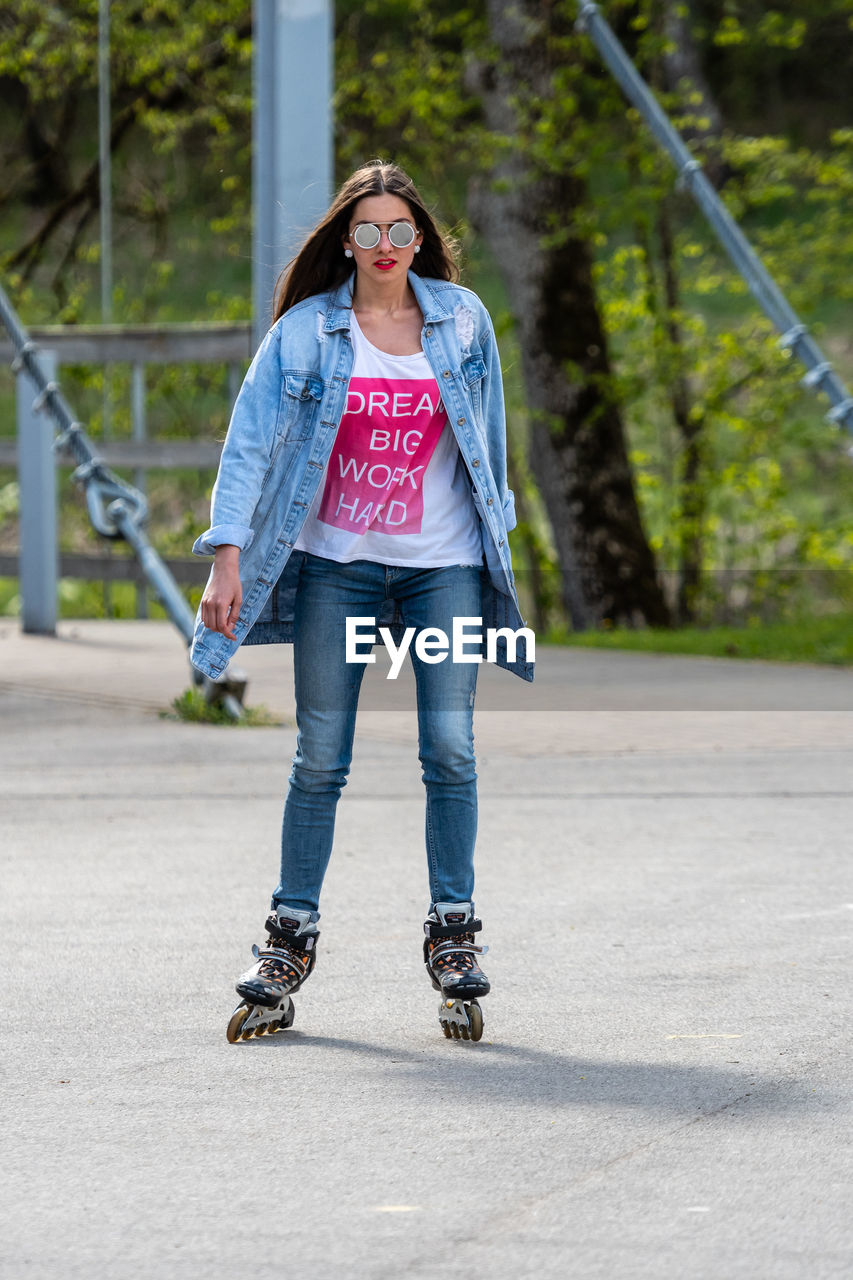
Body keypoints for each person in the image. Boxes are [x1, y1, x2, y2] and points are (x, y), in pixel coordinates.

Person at [190, 160, 533, 1042]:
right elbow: (248, 447)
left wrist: (500, 534)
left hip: (442, 570)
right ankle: (287, 938)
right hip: (338, 569)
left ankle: (452, 933)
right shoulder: (306, 333)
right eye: (368, 231)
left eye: (400, 231)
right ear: (346, 240)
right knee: (321, 757)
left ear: (420, 239)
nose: (384, 246)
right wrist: (225, 558)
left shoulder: (462, 323)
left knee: (449, 749)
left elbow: (488, 445)